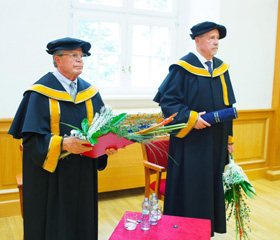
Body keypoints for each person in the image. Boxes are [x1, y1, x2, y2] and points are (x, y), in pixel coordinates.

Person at [8, 37, 117, 240]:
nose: (80, 60)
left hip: (83, 172)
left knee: (82, 221)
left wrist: (106, 147)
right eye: (73, 55)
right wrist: (62, 144)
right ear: (58, 60)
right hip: (51, 177)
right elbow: (30, 139)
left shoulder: (90, 92)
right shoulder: (39, 93)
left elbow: (103, 131)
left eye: (81, 56)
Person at [153, 21, 236, 237]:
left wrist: (229, 139)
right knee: (192, 186)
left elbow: (228, 106)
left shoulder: (221, 68)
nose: (216, 42)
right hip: (191, 142)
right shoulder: (182, 68)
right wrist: (191, 118)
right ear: (197, 41)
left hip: (216, 140)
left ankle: (206, 230)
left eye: (217, 37)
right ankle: (185, 231)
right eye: (211, 37)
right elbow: (168, 102)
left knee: (211, 183)